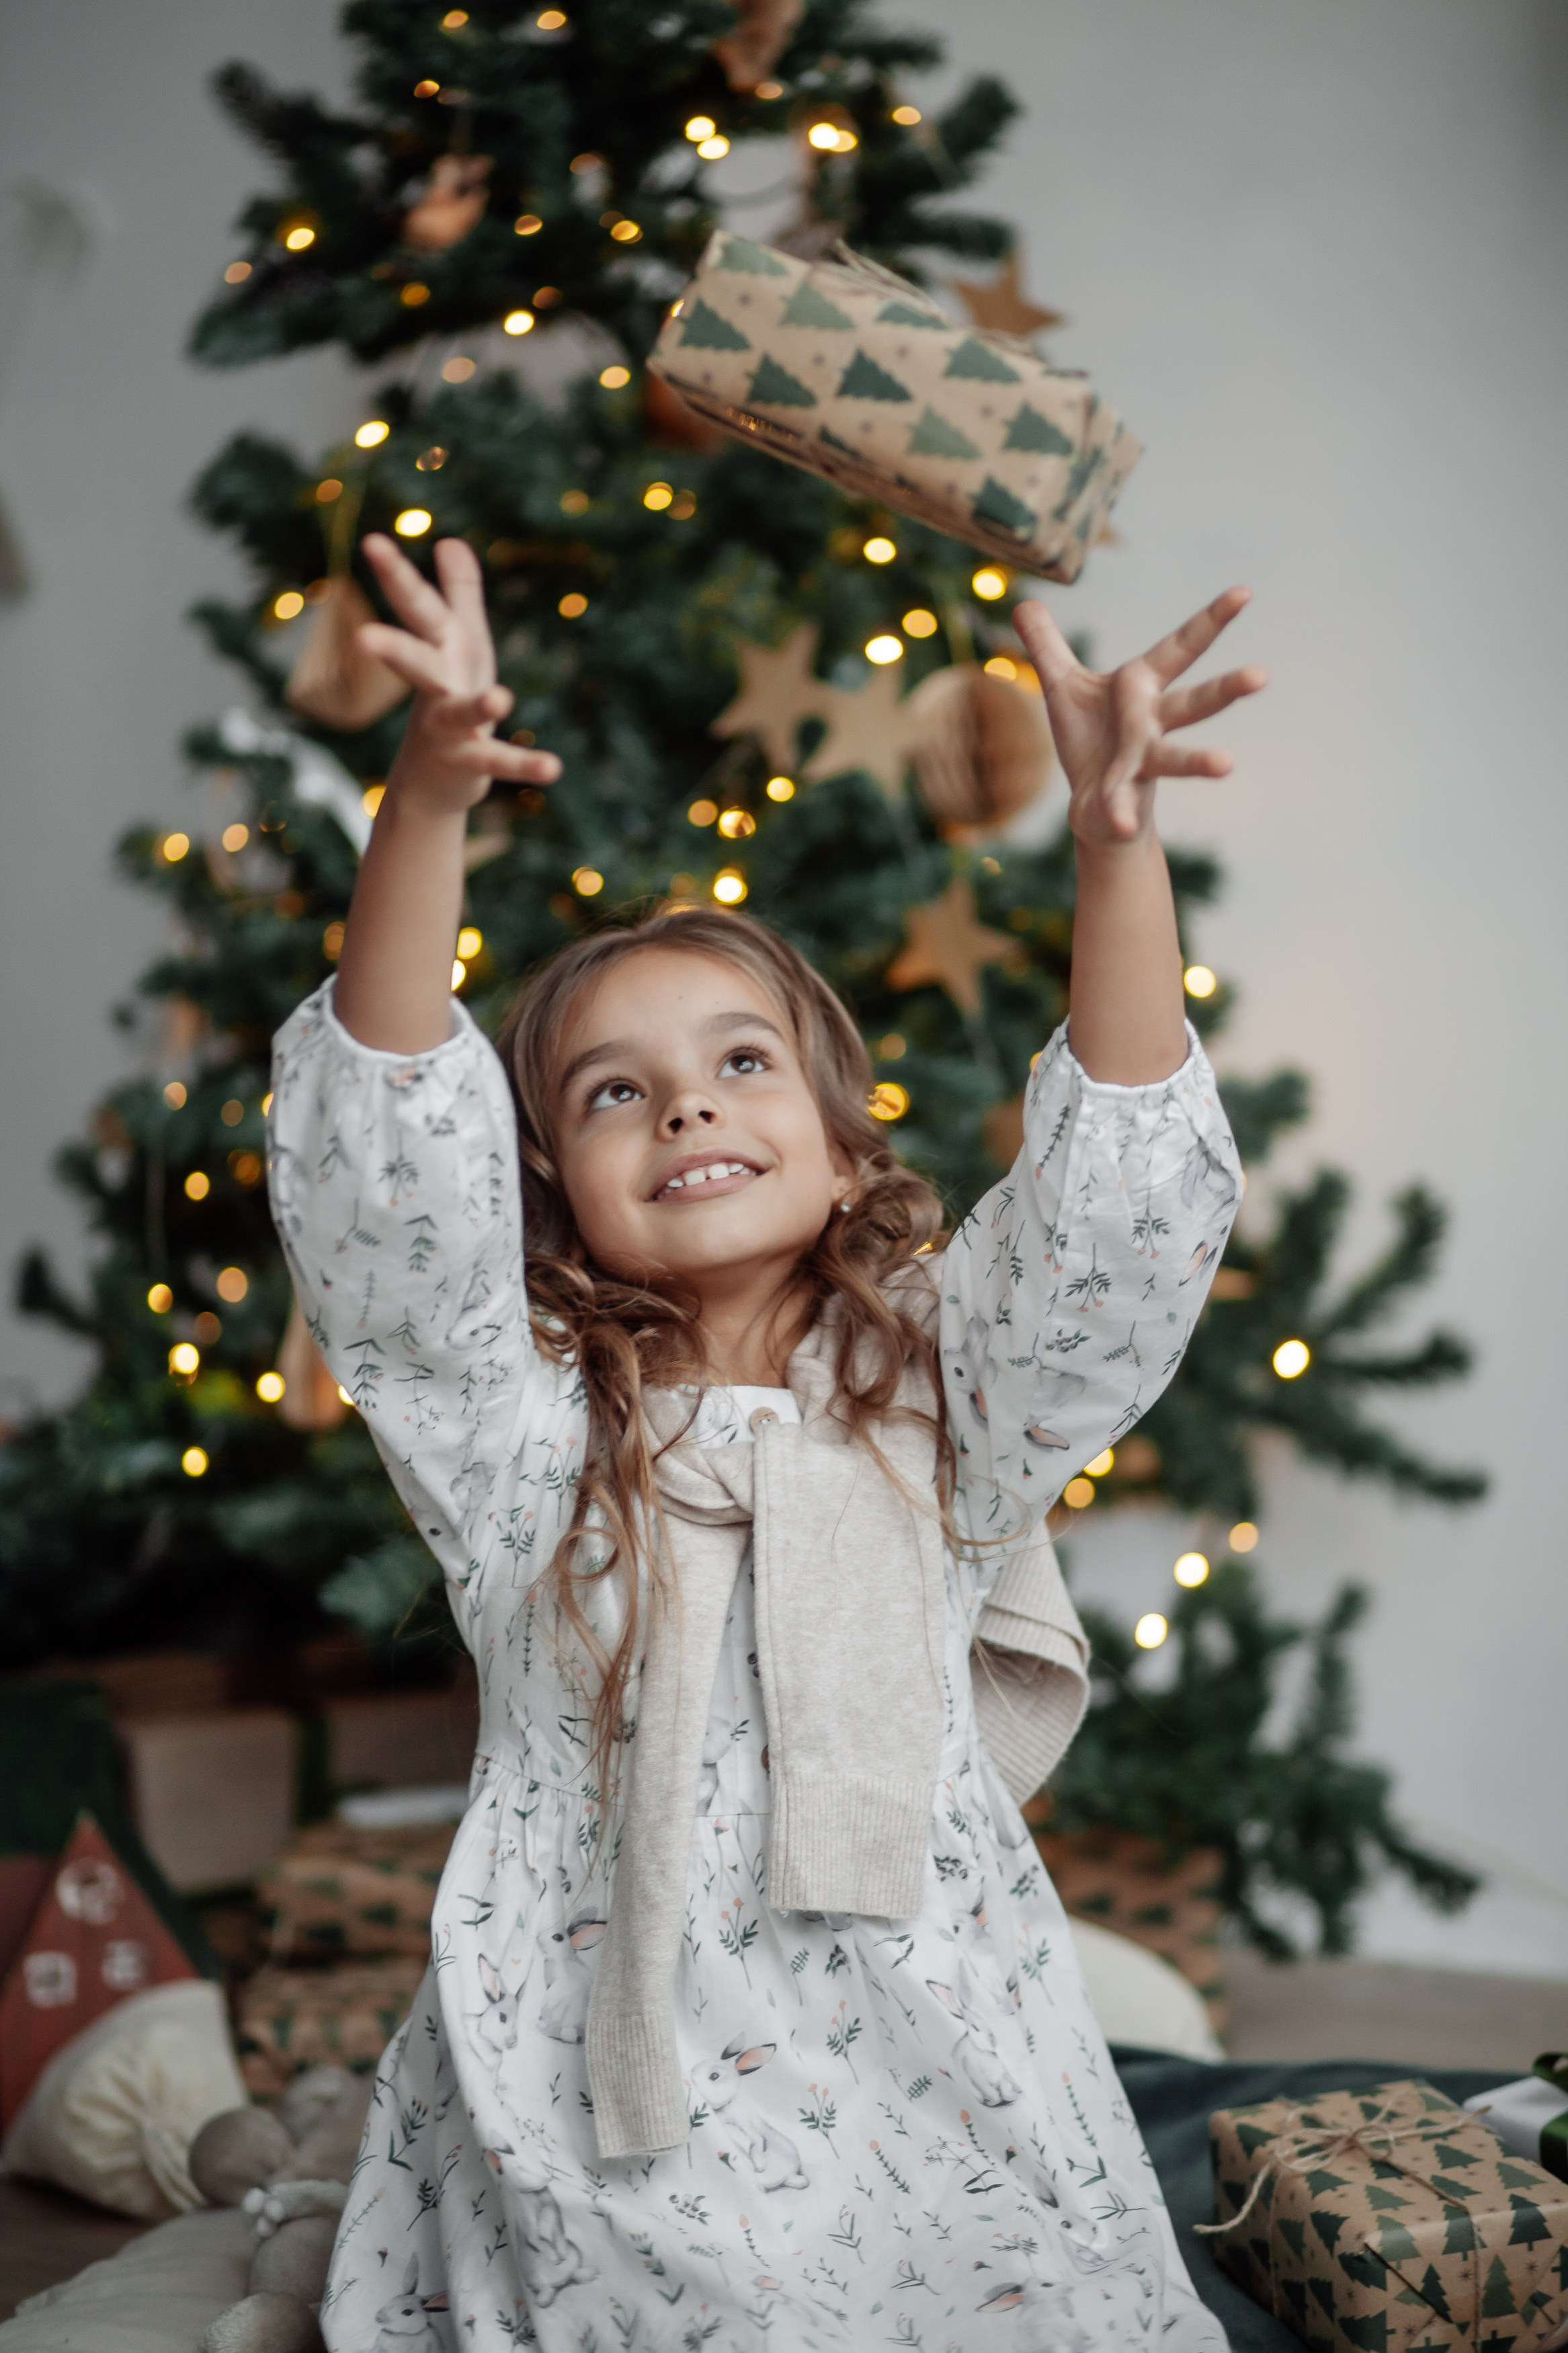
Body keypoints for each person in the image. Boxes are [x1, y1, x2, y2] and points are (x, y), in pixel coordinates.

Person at [269, 530, 1264, 2351]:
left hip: (932, 2025)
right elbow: (387, 1192)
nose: (688, 1108)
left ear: (834, 1129)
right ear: (554, 1184)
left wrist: (1117, 852)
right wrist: (421, 806)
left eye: (740, 1063)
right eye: (613, 1090)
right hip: (601, 2051)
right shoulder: (525, 1431)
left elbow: (1115, 1217)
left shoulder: (944, 1391)